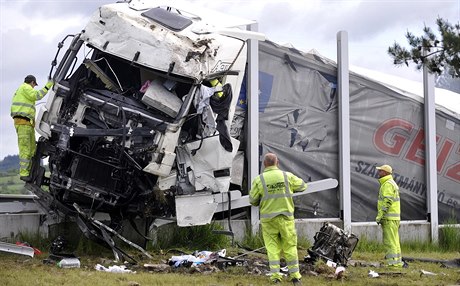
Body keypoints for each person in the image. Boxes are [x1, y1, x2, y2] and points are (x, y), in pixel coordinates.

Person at [249, 153, 307, 285]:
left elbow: (252, 200)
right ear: (278, 162)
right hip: (286, 219)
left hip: (268, 221)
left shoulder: (259, 180)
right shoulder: (287, 176)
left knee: (272, 248)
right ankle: (295, 278)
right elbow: (303, 186)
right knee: (290, 247)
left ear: (264, 164)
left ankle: (275, 277)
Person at [10, 75, 53, 182]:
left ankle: (31, 171)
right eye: (34, 85)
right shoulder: (26, 87)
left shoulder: (21, 90)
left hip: (27, 124)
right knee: (25, 148)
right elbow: (37, 96)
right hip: (23, 123)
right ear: (32, 82)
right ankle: (24, 174)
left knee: (32, 148)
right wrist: (49, 85)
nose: (34, 87)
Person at [375, 164, 406, 268]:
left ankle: (393, 264)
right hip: (394, 218)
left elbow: (387, 202)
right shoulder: (391, 183)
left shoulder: (387, 184)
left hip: (389, 219)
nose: (378, 173)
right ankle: (397, 262)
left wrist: (380, 216)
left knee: (390, 242)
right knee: (395, 242)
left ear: (385, 173)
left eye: (380, 171)